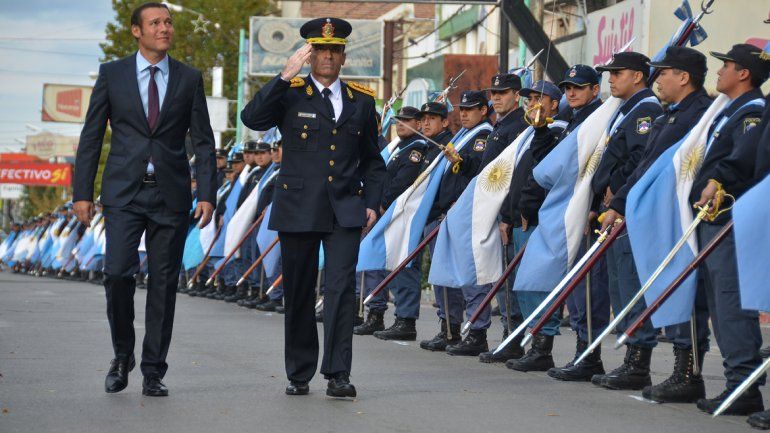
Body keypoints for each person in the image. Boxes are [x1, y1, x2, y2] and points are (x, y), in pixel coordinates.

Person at [72, 2, 216, 397]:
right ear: (136, 31)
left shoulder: (188, 78)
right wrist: (81, 193)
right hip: (124, 193)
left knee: (164, 284)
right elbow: (91, 136)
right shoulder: (112, 74)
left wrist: (207, 193)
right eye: (155, 23)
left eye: (168, 22)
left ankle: (153, 370)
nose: (164, 28)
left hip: (170, 194)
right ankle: (123, 355)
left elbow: (204, 141)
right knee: (118, 273)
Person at [240, 17, 385, 398]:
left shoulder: (361, 101)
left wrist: (372, 203)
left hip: (345, 210)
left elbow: (373, 160)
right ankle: (300, 371)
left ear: (343, 56)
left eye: (334, 51)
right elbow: (251, 118)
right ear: (309, 55)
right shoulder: (290, 93)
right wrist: (283, 76)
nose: (328, 57)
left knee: (340, 291)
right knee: (301, 292)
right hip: (299, 207)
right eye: (320, 50)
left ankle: (338, 373)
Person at [598, 46, 713, 399]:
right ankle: (669, 369)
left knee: (687, 294)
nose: (657, 79)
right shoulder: (670, 115)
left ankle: (689, 372)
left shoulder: (702, 115)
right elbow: (645, 167)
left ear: (684, 77)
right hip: (656, 214)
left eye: (663, 72)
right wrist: (619, 204)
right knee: (665, 290)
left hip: (682, 216)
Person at [690, 43, 769, 417]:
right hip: (713, 218)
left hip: (730, 218)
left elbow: (743, 161)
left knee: (731, 302)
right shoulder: (729, 111)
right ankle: (738, 383)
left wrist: (719, 180)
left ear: (744, 74)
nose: (719, 71)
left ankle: (744, 384)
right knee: (720, 305)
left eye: (727, 65)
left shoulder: (752, 112)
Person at [587, 52, 663, 390]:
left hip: (628, 209)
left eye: (617, 73)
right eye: (610, 73)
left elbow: (640, 158)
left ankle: (638, 362)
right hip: (616, 207)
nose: (611, 78)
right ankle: (631, 358)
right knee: (620, 285)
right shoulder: (628, 110)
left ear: (638, 76)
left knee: (630, 285)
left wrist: (615, 188)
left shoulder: (646, 110)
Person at [420, 90, 492, 354]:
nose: (464, 114)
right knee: (444, 277)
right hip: (443, 215)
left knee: (469, 277)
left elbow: (480, 172)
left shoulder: (483, 136)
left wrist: (463, 160)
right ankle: (449, 328)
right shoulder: (462, 136)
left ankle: (476, 332)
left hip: (463, 215)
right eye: (462, 109)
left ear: (483, 110)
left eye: (470, 109)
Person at [353, 106, 428, 339]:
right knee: (377, 264)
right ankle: (376, 315)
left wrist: (382, 205)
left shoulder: (416, 149)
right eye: (398, 120)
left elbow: (402, 182)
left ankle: (404, 321)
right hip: (384, 213)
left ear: (418, 124)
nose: (400, 124)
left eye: (407, 120)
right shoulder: (398, 147)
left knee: (402, 268)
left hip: (398, 214)